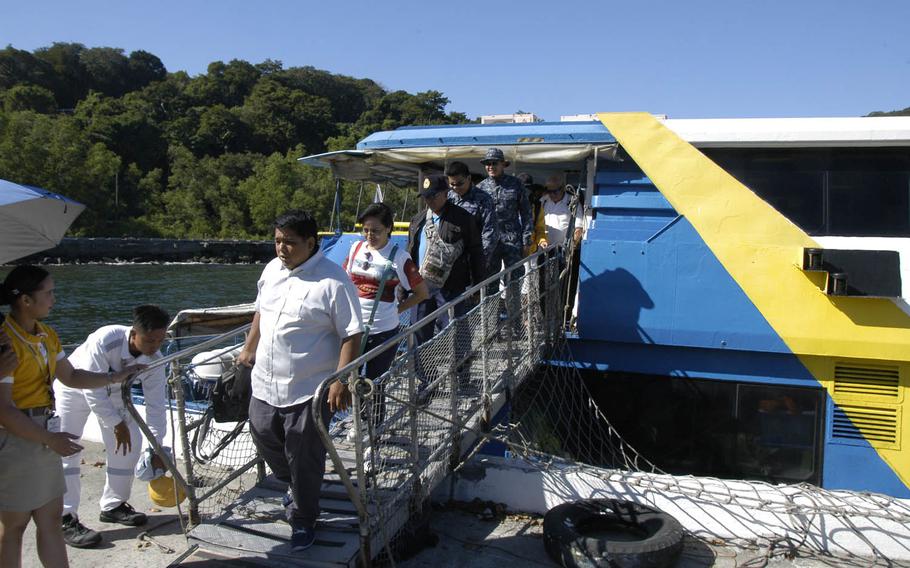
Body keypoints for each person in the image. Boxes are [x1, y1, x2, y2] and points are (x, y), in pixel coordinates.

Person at [237, 209, 363, 553]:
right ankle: (294, 486)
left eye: (289, 242)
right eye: (277, 240)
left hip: (309, 388)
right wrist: (248, 348)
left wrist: (340, 380)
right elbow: (261, 310)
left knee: (305, 457)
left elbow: (352, 333)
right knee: (262, 434)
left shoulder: (333, 281)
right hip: (265, 381)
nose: (281, 248)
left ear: (310, 243)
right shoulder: (271, 271)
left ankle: (304, 519)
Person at [0, 266, 139, 568]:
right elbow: (5, 410)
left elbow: (71, 375)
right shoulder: (6, 343)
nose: (54, 299)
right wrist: (50, 438)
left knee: (50, 520)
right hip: (18, 440)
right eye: (48, 293)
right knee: (14, 525)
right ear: (25, 300)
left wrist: (115, 377)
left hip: (45, 435)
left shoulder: (46, 335)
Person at [54, 304, 171, 548]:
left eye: (160, 340)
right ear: (134, 333)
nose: (154, 347)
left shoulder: (156, 360)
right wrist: (116, 424)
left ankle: (113, 505)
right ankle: (64, 517)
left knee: (132, 445)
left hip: (116, 393)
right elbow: (91, 388)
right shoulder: (106, 339)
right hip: (75, 387)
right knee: (68, 449)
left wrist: (157, 447)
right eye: (149, 340)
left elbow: (156, 407)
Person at [342, 202, 428, 433]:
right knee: (351, 379)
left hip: (383, 331)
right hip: (352, 330)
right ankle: (358, 421)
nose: (370, 235)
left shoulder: (399, 257)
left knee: (375, 383)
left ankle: (375, 432)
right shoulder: (355, 249)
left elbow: (422, 293)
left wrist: (397, 310)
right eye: (366, 230)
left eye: (376, 231)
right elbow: (341, 282)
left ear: (389, 228)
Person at [407, 175, 486, 345]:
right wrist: (404, 285)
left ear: (445, 193)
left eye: (433, 196)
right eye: (426, 196)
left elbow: (476, 251)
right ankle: (422, 371)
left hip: (450, 287)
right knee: (418, 334)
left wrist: (478, 284)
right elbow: (410, 254)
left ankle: (460, 369)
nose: (429, 200)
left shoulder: (463, 218)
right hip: (422, 286)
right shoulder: (417, 220)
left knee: (455, 333)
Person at [477, 148, 533, 273]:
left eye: (494, 163)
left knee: (516, 277)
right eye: (488, 164)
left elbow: (526, 213)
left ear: (503, 164)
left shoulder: (516, 184)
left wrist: (527, 241)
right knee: (490, 281)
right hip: (489, 241)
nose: (491, 166)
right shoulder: (480, 188)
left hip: (512, 239)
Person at [445, 161, 498, 266]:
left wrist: (480, 260)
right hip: (450, 257)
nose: (455, 188)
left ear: (468, 178)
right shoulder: (448, 197)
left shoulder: (483, 199)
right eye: (452, 184)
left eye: (459, 184)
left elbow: (490, 232)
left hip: (473, 256)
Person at [536, 174, 583, 251]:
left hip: (563, 249)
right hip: (543, 249)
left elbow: (579, 227)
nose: (552, 194)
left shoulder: (572, 202)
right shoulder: (543, 201)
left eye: (555, 191)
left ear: (563, 188)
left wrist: (572, 246)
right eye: (549, 191)